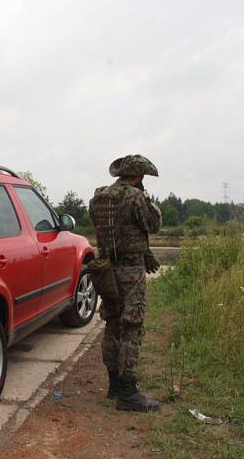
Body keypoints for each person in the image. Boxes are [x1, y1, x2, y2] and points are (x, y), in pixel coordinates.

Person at [89, 154, 162, 412]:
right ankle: (129, 393)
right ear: (139, 177)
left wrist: (144, 251)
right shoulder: (135, 197)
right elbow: (153, 224)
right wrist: (148, 200)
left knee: (112, 323)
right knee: (131, 326)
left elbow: (110, 231)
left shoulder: (99, 197)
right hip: (130, 270)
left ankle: (114, 386)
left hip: (107, 269)